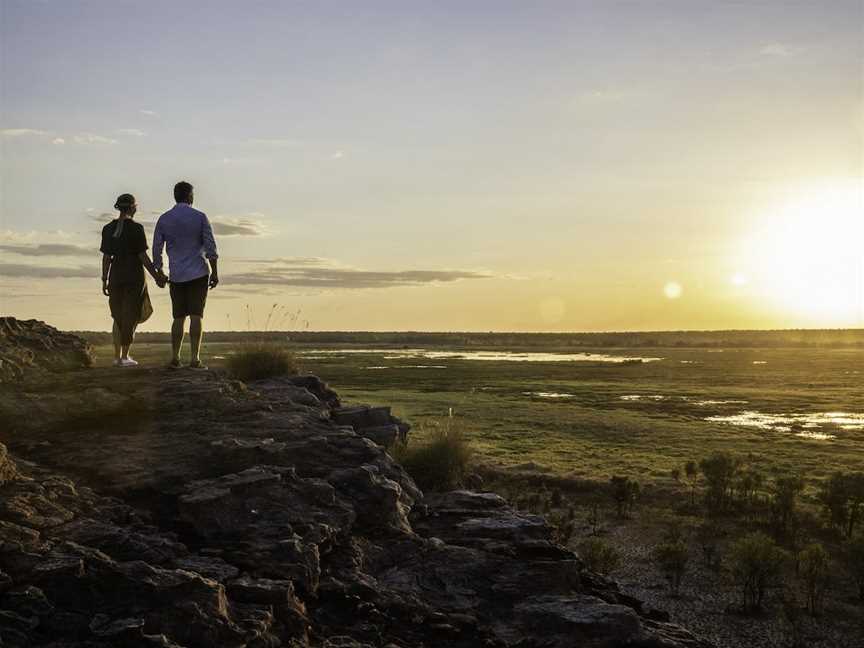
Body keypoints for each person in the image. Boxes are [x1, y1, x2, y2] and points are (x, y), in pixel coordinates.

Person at [152, 181, 219, 369]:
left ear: (175, 196)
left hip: (176, 274)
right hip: (198, 272)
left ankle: (175, 357)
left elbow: (157, 247)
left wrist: (159, 270)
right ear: (190, 196)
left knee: (178, 317)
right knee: (197, 315)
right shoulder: (199, 217)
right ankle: (195, 358)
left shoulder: (165, 219)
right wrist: (215, 271)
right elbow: (210, 246)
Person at [100, 193, 167, 367]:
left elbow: (107, 257)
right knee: (131, 314)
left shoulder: (108, 229)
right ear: (132, 207)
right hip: (134, 276)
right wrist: (157, 277)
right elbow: (143, 257)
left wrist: (104, 279)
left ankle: (116, 357)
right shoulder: (136, 229)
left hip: (115, 275)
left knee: (117, 316)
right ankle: (124, 356)